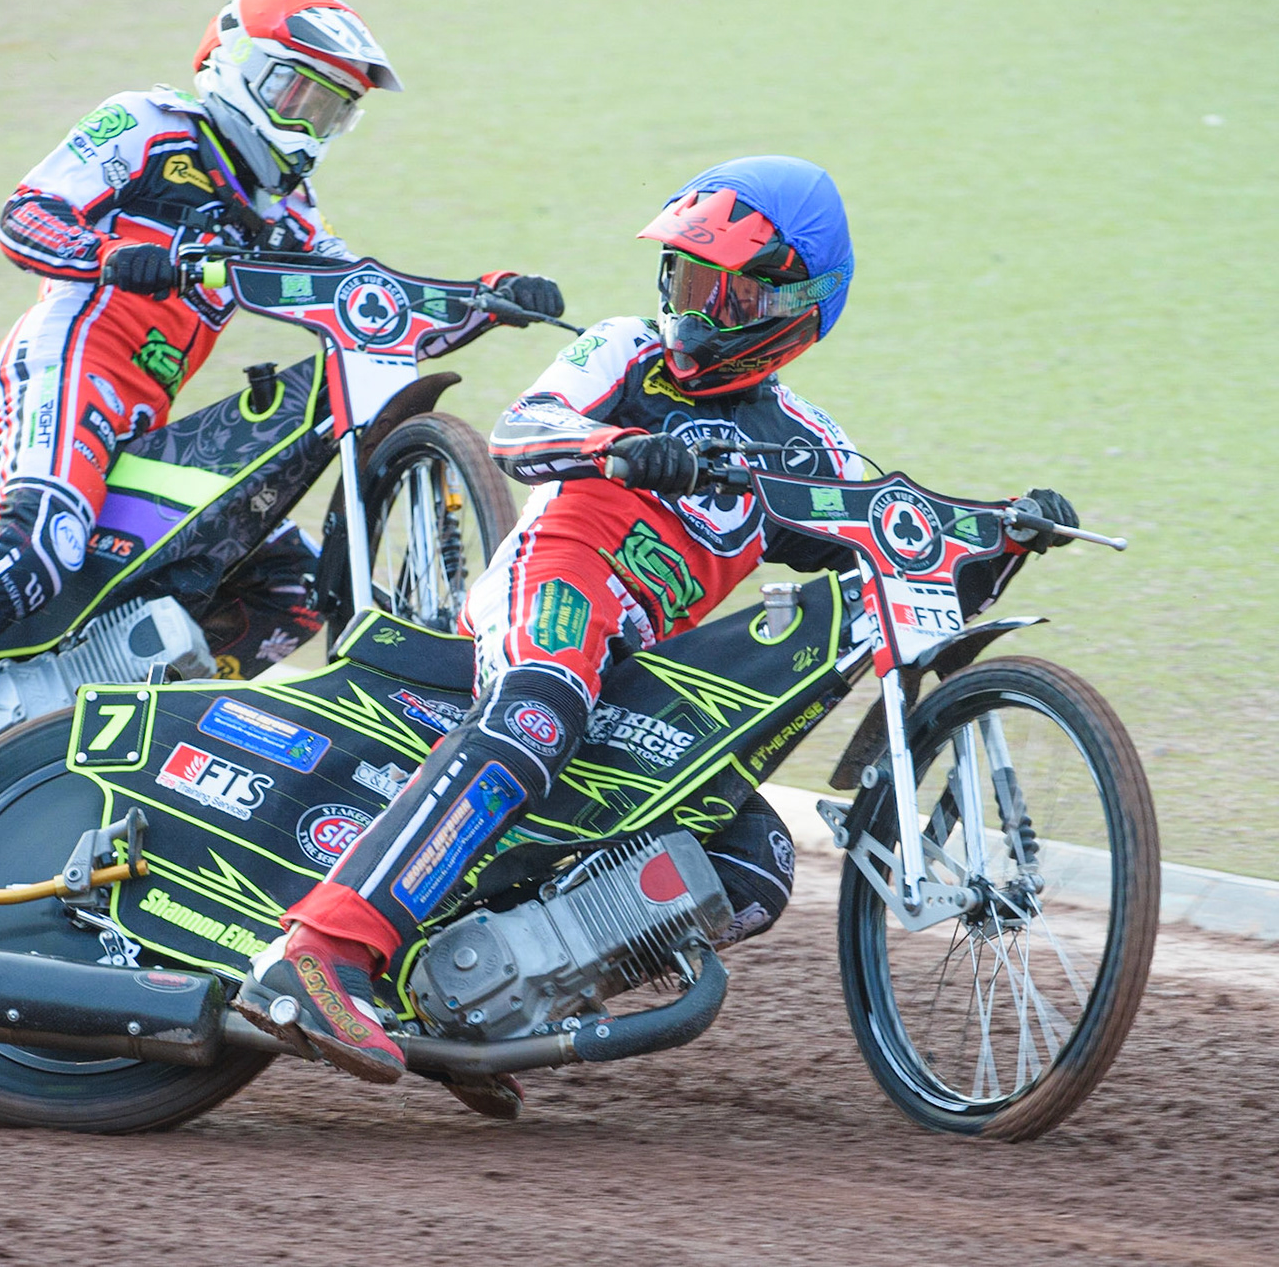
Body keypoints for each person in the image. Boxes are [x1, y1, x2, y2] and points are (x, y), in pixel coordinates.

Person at [236, 155, 1082, 1117]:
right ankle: (321, 950)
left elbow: (903, 541)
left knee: (754, 864)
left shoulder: (803, 446)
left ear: (789, 309)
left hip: (636, 663)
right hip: (552, 583)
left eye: (717, 291)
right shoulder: (624, 350)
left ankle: (484, 1003)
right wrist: (624, 448)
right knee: (541, 711)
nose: (687, 310)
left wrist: (1006, 531)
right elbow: (522, 431)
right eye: (680, 277)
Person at [0, 0, 563, 802]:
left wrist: (482, 302)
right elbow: (25, 217)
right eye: (302, 96)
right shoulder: (148, 122)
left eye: (333, 112)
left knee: (287, 582)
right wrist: (111, 252)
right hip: (68, 361)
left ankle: (73, 741)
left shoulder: (284, 210)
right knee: (45, 532)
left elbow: (356, 300)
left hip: (141, 415)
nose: (312, 126)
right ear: (238, 70)